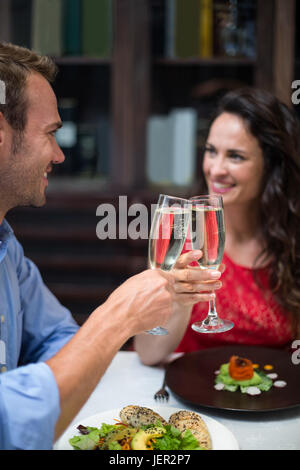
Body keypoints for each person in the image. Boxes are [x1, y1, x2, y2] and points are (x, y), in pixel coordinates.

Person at [0, 42, 223, 450]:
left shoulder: (7, 251)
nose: (60, 154)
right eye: (50, 134)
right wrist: (118, 316)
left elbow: (59, 338)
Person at [135, 87, 300, 365]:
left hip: (272, 395)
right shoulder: (180, 238)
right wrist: (176, 299)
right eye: (211, 151)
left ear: (271, 166)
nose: (216, 168)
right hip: (188, 389)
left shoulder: (292, 240)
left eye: (235, 156)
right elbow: (147, 353)